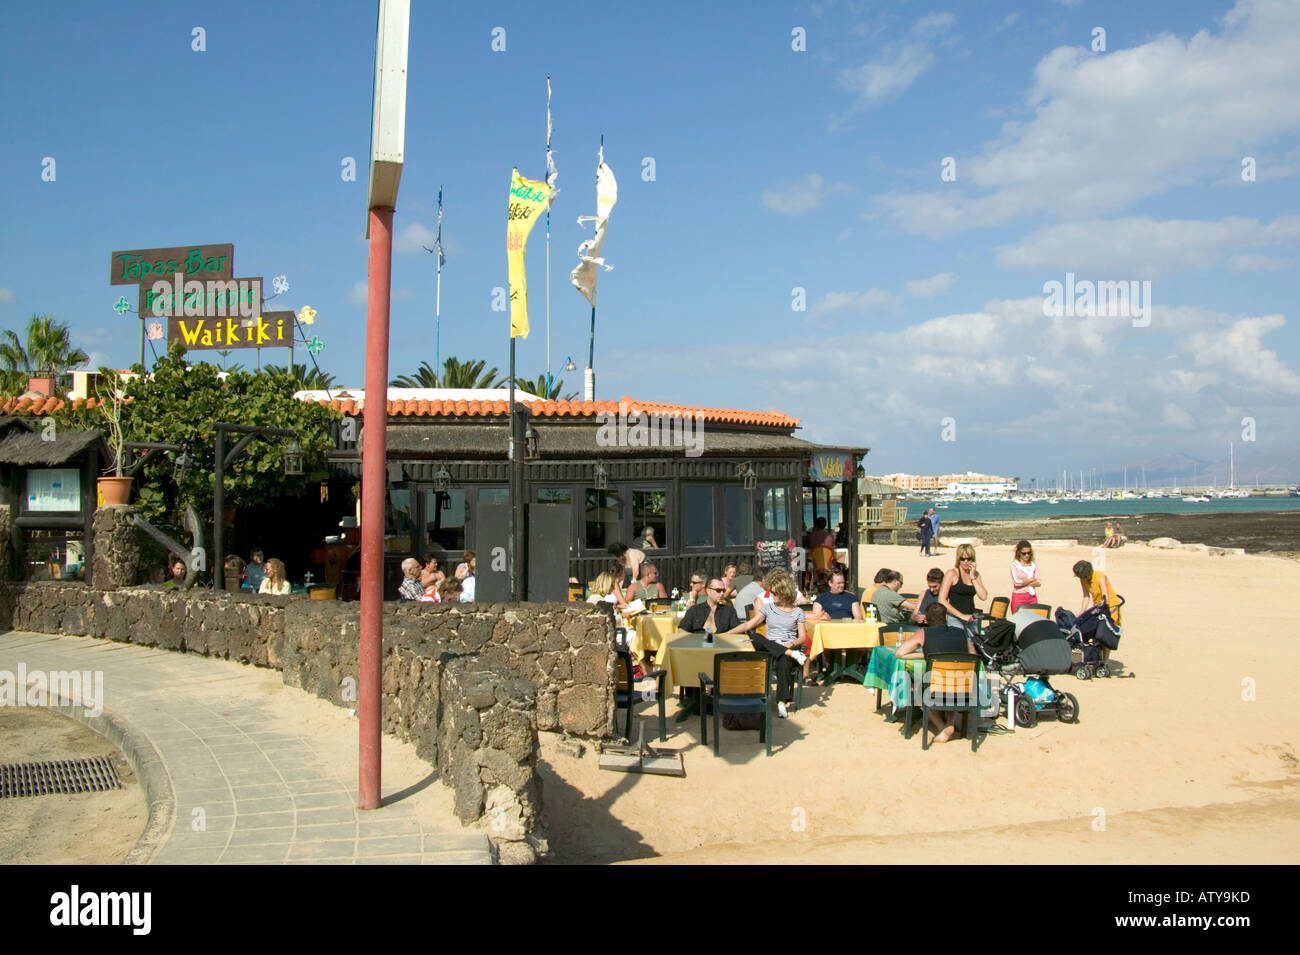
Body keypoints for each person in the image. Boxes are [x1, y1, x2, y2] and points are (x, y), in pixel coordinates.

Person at [725, 572, 807, 719]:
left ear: (784, 592)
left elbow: (802, 637)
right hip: (771, 646)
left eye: (774, 592)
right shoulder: (768, 608)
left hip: (787, 645)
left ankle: (781, 702)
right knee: (755, 636)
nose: (770, 595)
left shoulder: (798, 612)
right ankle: (789, 653)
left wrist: (793, 643)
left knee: (783, 660)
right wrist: (728, 633)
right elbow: (751, 624)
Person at [896, 603, 976, 743]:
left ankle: (943, 727)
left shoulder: (924, 633)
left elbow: (899, 653)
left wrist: (923, 654)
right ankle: (950, 722)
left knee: (919, 694)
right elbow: (973, 655)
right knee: (950, 684)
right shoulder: (960, 632)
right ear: (946, 617)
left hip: (936, 689)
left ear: (926, 619)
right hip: (963, 688)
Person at [939, 544, 987, 629]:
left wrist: (973, 577)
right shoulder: (952, 574)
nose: (965, 561)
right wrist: (961, 616)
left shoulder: (976, 575)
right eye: (962, 559)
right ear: (958, 559)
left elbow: (983, 596)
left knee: (972, 641)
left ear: (973, 559)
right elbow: (942, 600)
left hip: (971, 618)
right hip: (955, 618)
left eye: (968, 559)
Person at [1073, 560, 1121, 627]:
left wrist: (1100, 611)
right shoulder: (1083, 579)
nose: (1080, 578)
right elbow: (1086, 596)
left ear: (1087, 575)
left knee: (1108, 632)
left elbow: (1106, 599)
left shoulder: (1100, 577)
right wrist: (1082, 612)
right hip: (1098, 608)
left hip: (1110, 608)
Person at [1009, 540, 1041, 614]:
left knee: (1033, 620)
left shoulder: (1033, 565)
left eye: (1029, 553)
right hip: (1019, 597)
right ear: (1019, 553)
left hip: (1032, 597)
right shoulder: (1014, 565)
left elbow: (1039, 582)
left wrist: (1025, 582)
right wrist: (1031, 580)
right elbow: (1016, 582)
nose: (1027, 555)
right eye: (1024, 553)